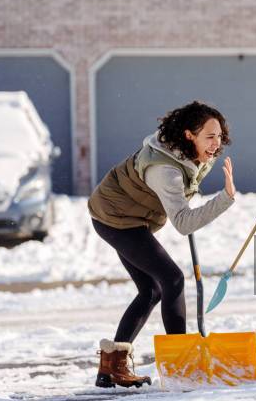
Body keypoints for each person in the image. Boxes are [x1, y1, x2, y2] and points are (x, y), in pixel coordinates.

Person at [88, 101, 236, 388]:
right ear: (188, 135)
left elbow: (186, 182)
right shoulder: (164, 170)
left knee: (151, 290)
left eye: (219, 136)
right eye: (210, 136)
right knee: (172, 280)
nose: (217, 144)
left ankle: (111, 367)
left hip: (129, 214)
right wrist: (225, 198)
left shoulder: (193, 153)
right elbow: (182, 222)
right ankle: (180, 365)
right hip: (117, 218)